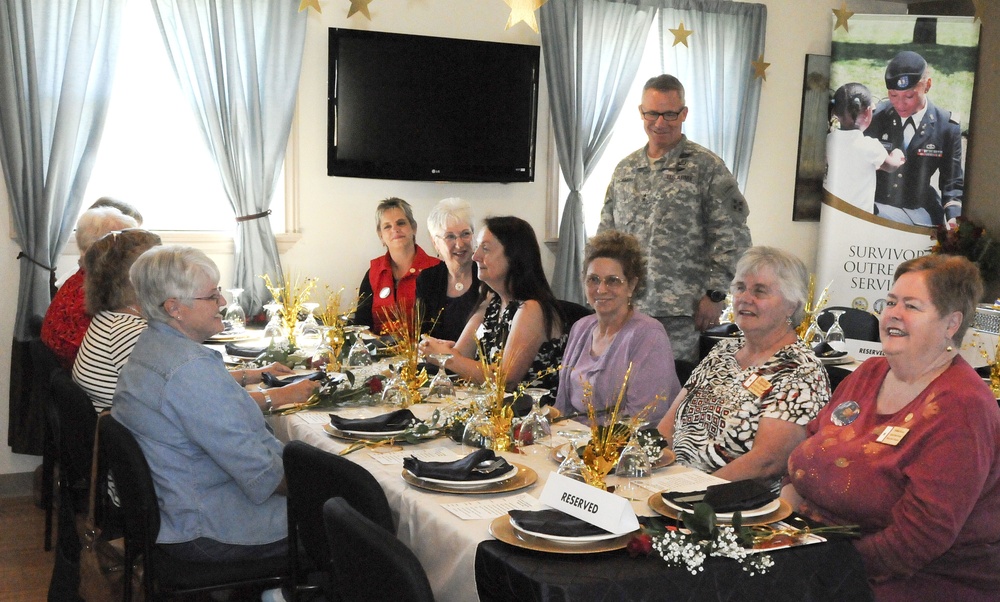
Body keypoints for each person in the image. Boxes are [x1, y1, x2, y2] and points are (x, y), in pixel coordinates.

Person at [784, 254, 1000, 601]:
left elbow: (918, 539)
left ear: (951, 323)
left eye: (912, 306)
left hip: (908, 583)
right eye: (890, 302)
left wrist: (822, 564)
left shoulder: (962, 405)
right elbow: (811, 445)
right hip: (815, 551)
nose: (893, 314)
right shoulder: (869, 373)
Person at [112, 245, 318, 562]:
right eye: (211, 296)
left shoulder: (151, 347)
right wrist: (324, 487)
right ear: (174, 308)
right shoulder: (189, 370)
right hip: (208, 527)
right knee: (356, 525)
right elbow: (263, 475)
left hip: (178, 510)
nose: (222, 302)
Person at [599, 74, 751, 364]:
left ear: (684, 113)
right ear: (641, 113)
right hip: (624, 307)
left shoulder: (706, 167)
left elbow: (733, 237)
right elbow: (605, 240)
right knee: (619, 392)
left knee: (668, 392)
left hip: (680, 315)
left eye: (670, 114)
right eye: (652, 113)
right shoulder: (625, 170)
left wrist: (716, 295)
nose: (660, 123)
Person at [657, 247, 830, 492]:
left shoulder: (800, 371)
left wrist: (693, 492)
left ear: (792, 305)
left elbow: (766, 463)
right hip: (671, 485)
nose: (745, 298)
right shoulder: (723, 351)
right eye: (740, 288)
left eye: (759, 291)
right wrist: (646, 468)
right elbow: (668, 425)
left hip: (727, 504)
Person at [72, 231, 294, 413]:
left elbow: (193, 384)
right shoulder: (131, 334)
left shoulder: (113, 318)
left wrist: (254, 373)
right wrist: (283, 394)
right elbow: (208, 403)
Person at [419, 216, 565, 396]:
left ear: (513, 256)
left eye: (485, 249)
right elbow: (460, 356)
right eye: (478, 247)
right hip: (491, 409)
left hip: (526, 414)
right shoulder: (492, 302)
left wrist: (446, 357)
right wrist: (438, 348)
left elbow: (505, 380)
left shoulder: (532, 309)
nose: (475, 256)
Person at [554, 231, 681, 424]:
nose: (601, 289)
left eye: (613, 280)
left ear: (631, 286)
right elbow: (562, 407)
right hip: (573, 441)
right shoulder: (581, 328)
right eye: (593, 279)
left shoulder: (649, 335)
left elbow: (642, 418)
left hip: (626, 447)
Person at [865, 50, 963, 228]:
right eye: (893, 96)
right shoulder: (876, 117)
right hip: (877, 207)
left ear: (927, 85)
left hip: (920, 211)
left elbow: (952, 181)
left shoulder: (946, 126)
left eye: (909, 96)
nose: (900, 104)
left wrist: (953, 217)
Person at [41, 206, 138, 368]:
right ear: (107, 249)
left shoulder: (78, 279)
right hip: (88, 377)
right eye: (129, 247)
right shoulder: (101, 293)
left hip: (70, 375)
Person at [353, 198, 440, 335]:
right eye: (387, 226)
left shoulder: (438, 270)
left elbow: (443, 325)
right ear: (380, 235)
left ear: (414, 228)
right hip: (379, 353)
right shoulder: (373, 273)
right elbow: (360, 324)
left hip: (424, 353)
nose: (395, 229)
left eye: (401, 223)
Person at [825, 82, 905, 212]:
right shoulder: (871, 146)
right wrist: (897, 154)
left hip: (834, 210)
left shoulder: (829, 140)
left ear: (835, 112)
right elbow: (891, 166)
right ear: (868, 112)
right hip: (860, 216)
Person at [416, 198, 480, 341]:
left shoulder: (488, 276)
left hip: (478, 362)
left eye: (465, 234)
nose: (459, 244)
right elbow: (423, 335)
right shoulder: (427, 279)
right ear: (435, 243)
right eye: (450, 236)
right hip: (436, 360)